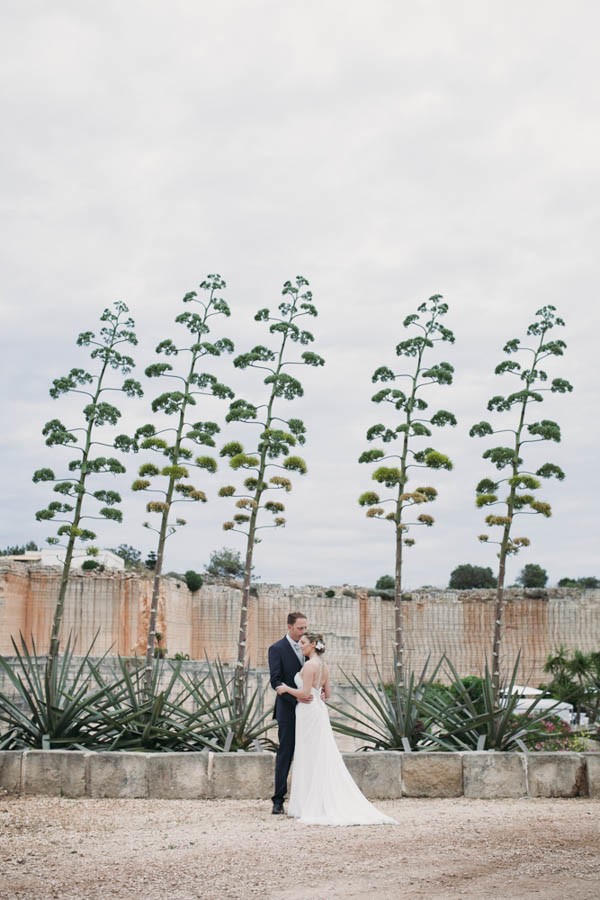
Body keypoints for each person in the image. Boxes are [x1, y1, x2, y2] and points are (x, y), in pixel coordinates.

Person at [276, 632, 397, 826]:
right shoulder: (324, 666)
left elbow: (305, 693)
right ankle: (315, 800)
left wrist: (285, 689)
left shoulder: (308, 666)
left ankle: (308, 803)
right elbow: (328, 694)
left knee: (308, 754)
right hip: (318, 710)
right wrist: (318, 694)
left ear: (314, 644)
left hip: (308, 711)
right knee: (319, 753)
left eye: (304, 643)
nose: (300, 646)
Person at [268, 611, 310, 815]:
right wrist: (296, 698)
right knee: (285, 752)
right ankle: (278, 799)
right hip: (287, 710)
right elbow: (275, 681)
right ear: (289, 627)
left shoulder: (309, 648)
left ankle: (308, 797)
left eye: (305, 628)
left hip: (310, 711)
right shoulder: (276, 649)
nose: (303, 632)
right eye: (300, 628)